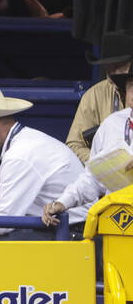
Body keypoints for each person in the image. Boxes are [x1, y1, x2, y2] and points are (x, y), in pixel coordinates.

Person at [0, 84, 88, 241]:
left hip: (71, 232)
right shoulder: (24, 144)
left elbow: (2, 220)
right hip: (68, 227)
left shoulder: (19, 154)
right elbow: (1, 204)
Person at [45, 69, 133, 230]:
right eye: (132, 86)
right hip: (116, 224)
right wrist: (62, 202)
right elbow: (93, 178)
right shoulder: (111, 124)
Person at [65, 30, 133, 164]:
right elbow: (74, 144)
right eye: (108, 68)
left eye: (119, 67)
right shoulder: (94, 95)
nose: (112, 74)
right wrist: (104, 164)